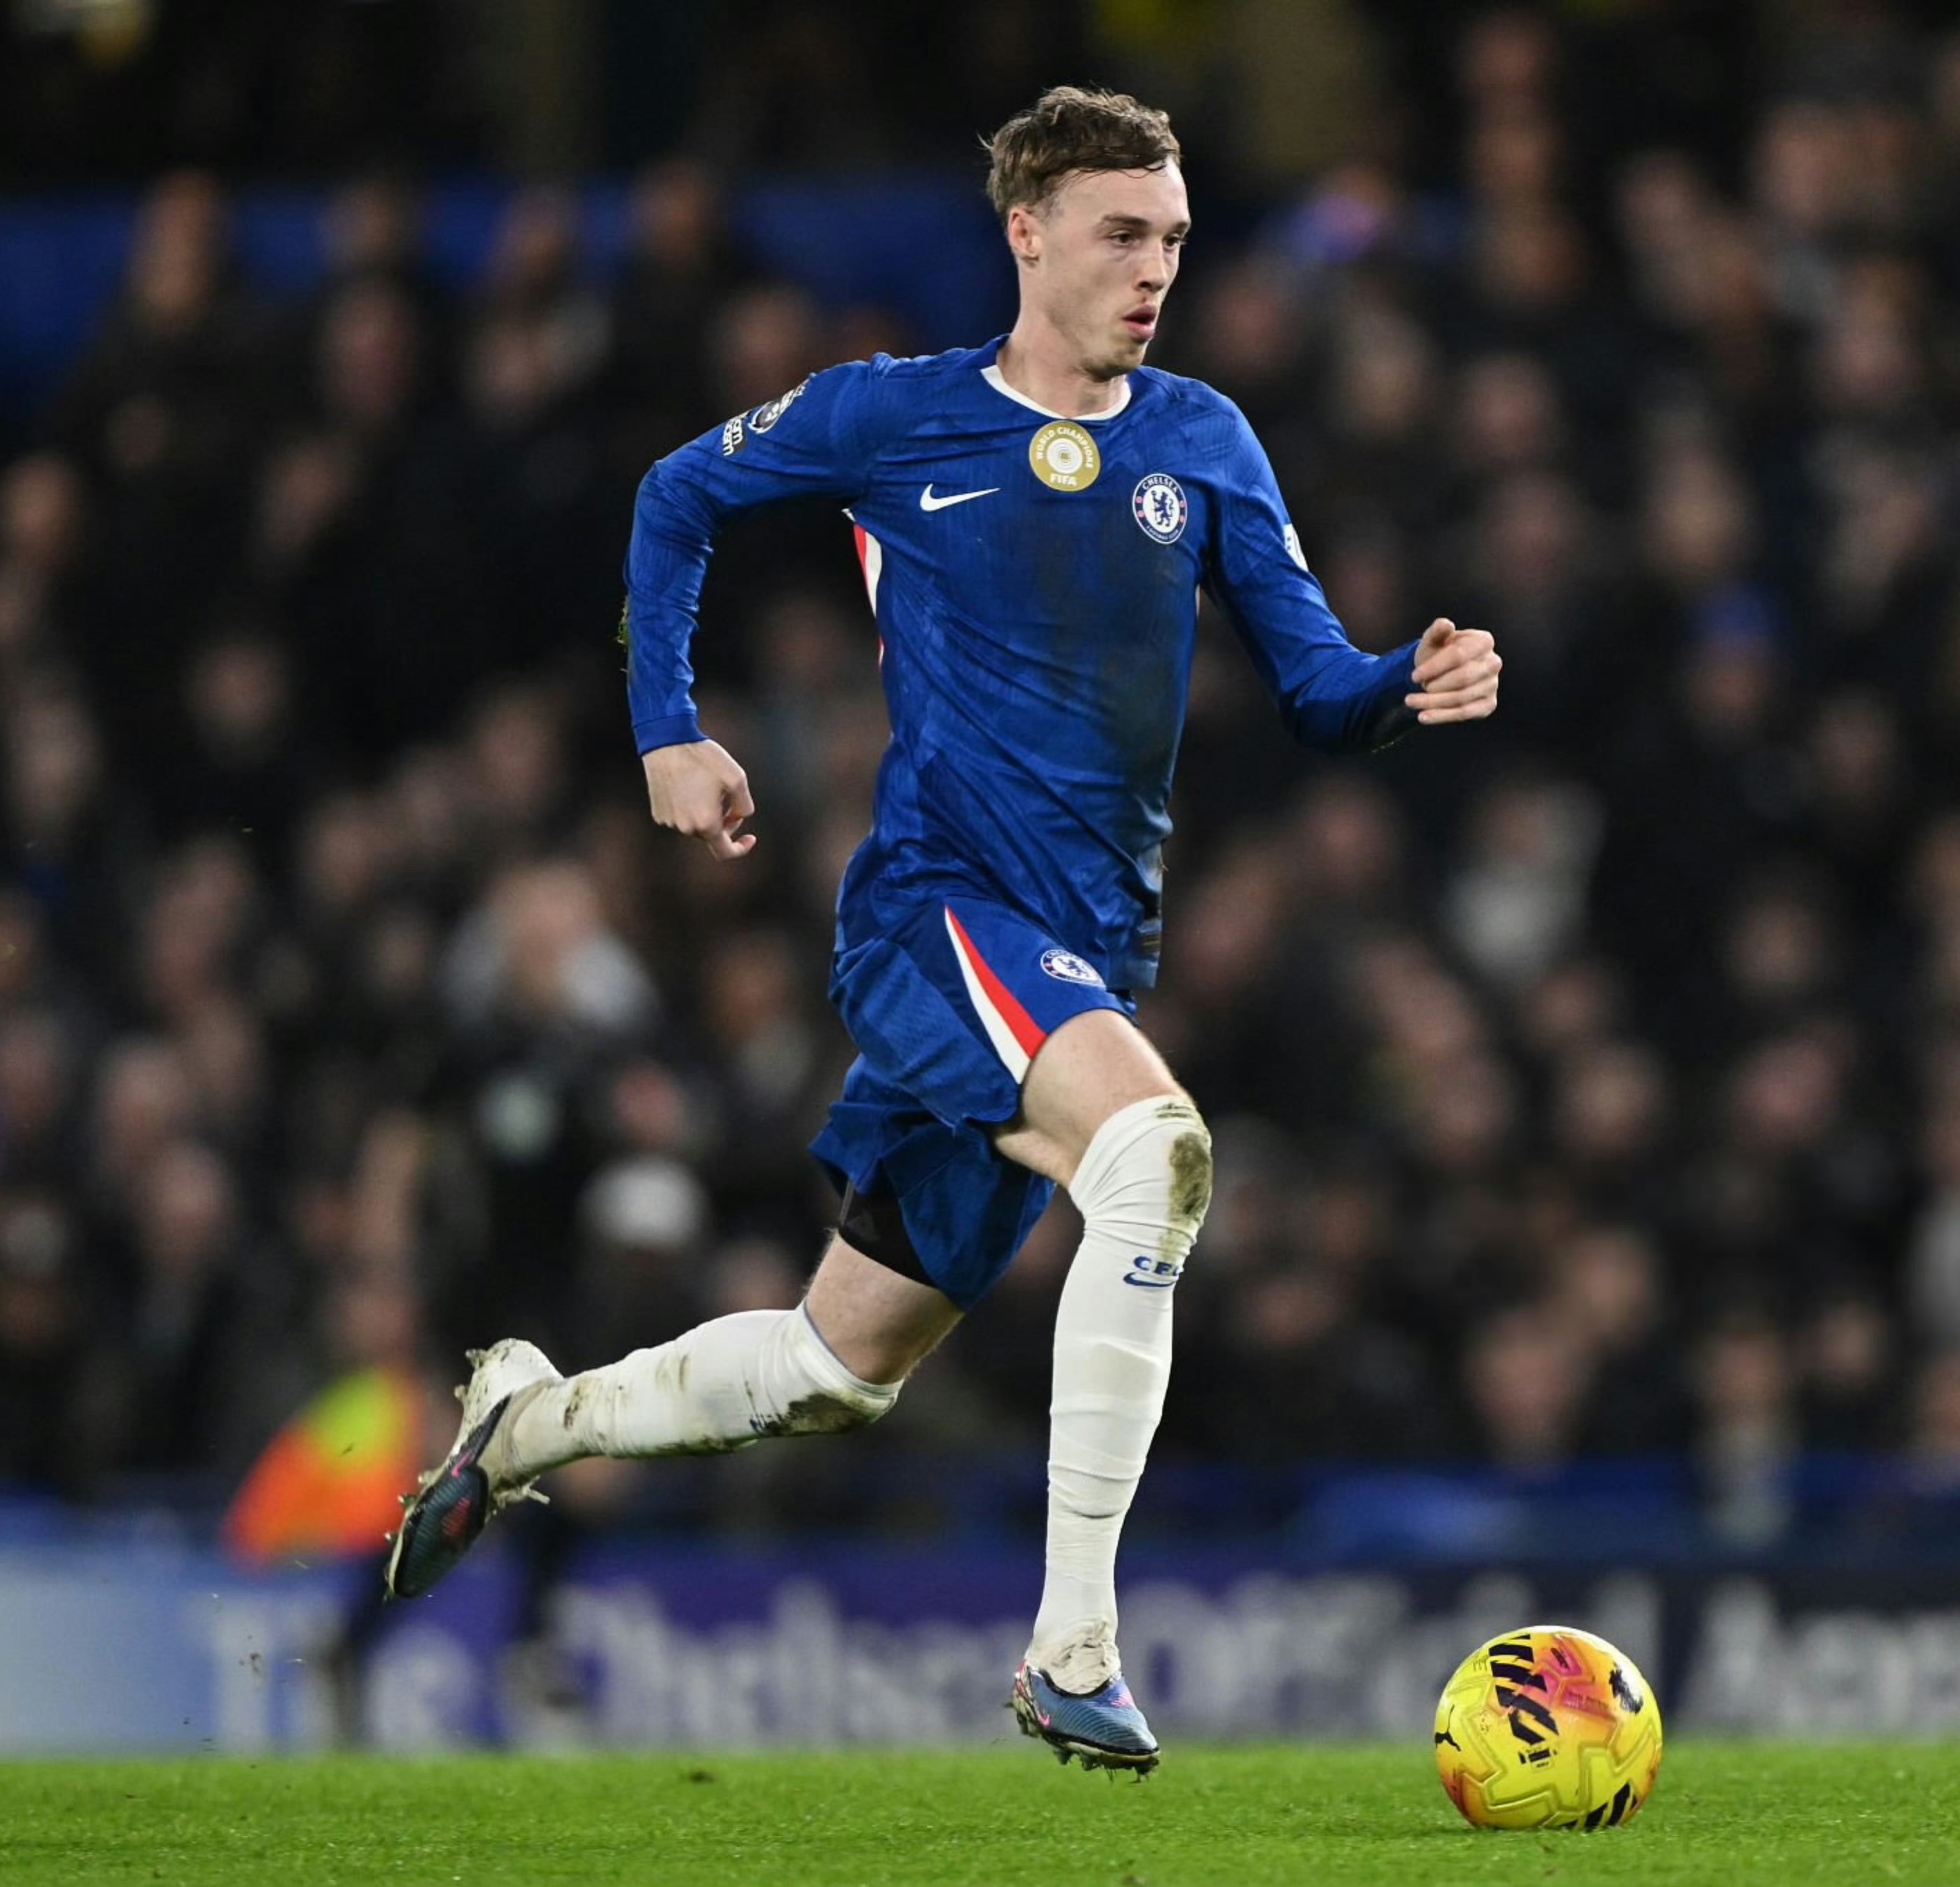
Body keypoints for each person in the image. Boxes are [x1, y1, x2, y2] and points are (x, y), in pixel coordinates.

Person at [380, 86, 1502, 1772]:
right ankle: (1072, 1647)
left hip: (1076, 961)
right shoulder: (892, 414)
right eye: (1119, 234)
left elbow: (1315, 690)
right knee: (1158, 1157)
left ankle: (525, 1423)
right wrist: (665, 728)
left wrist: (1406, 687)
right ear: (1026, 234)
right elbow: (675, 496)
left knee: (835, 1371)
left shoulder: (1202, 441)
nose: (1153, 269)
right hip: (937, 916)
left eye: (1172, 238)